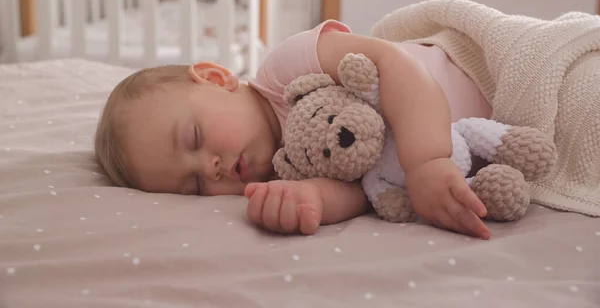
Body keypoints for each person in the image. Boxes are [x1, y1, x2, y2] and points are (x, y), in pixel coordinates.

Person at [94, 19, 493, 240]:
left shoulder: (287, 69)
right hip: (493, 133)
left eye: (194, 139)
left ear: (216, 78)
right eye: (195, 186)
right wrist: (309, 198)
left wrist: (426, 161)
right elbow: (359, 193)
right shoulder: (282, 169)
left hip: (484, 73)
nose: (211, 168)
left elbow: (391, 63)